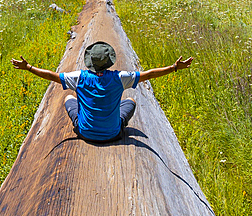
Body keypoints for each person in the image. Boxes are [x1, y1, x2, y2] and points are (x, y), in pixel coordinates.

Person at [11, 40, 193, 144]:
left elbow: (53, 76)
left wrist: (29, 67)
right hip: (112, 134)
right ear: (109, 61)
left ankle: (86, 122)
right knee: (131, 101)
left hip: (85, 132)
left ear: (90, 61)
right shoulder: (120, 77)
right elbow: (149, 74)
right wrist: (174, 67)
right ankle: (115, 124)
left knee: (68, 97)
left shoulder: (79, 77)